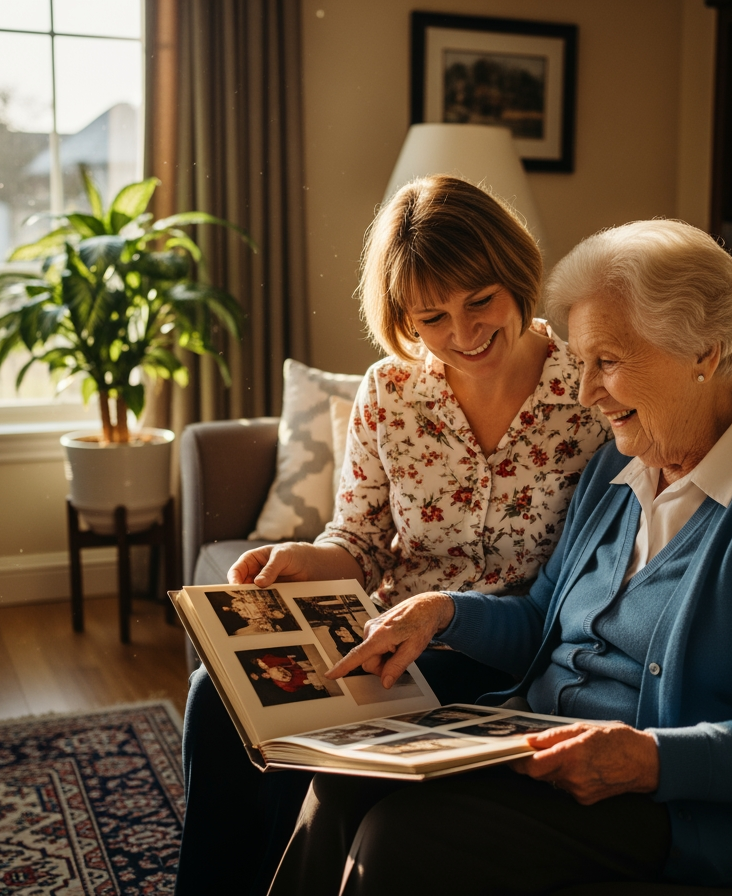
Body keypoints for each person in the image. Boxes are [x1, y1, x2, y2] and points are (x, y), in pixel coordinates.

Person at [267, 219, 732, 896]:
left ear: (704, 353)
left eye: (608, 362)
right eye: (584, 360)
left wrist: (653, 760)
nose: (585, 391)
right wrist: (443, 614)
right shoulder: (618, 470)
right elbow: (543, 623)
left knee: (403, 839)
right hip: (540, 750)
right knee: (342, 781)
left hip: (678, 813)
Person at [174, 175, 612, 896]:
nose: (464, 335)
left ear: (516, 276)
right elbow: (361, 540)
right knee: (213, 697)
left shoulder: (587, 393)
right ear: (403, 317)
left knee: (310, 730)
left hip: (506, 653)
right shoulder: (390, 392)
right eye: (432, 317)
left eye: (481, 302)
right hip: (388, 640)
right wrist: (306, 559)